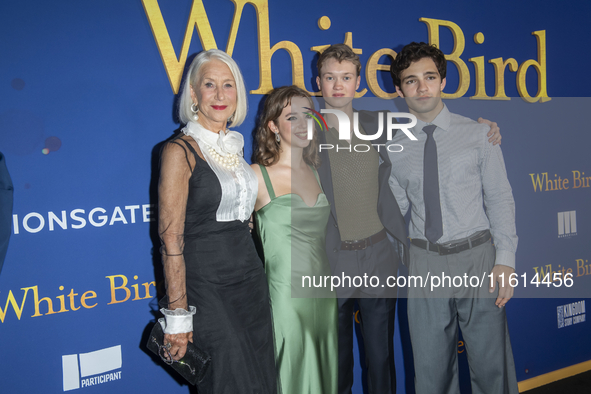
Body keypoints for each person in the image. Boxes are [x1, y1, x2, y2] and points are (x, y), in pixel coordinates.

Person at [314, 43, 503, 394]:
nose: (338, 85)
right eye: (330, 77)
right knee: (339, 360)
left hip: (391, 258)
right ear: (318, 82)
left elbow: (497, 198)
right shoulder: (305, 132)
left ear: (359, 82)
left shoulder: (381, 126)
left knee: (382, 358)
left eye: (346, 77)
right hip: (335, 260)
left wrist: (485, 129)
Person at [388, 42, 518, 394]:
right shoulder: (394, 149)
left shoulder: (480, 135)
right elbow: (395, 212)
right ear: (399, 90)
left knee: (493, 370)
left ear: (443, 81)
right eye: (411, 81)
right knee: (430, 373)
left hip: (478, 258)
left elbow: (501, 199)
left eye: (429, 77)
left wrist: (505, 261)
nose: (422, 87)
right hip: (424, 262)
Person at [157, 49, 277, 394]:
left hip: (251, 283)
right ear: (193, 94)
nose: (220, 95)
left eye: (228, 85)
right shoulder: (179, 151)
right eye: (210, 85)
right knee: (228, 383)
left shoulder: (235, 149)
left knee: (263, 379)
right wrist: (178, 317)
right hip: (206, 289)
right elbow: (170, 240)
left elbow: (247, 221)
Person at [252, 85, 338, 394]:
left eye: (308, 115)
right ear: (273, 126)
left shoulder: (317, 169)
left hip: (324, 293)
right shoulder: (255, 176)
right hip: (284, 299)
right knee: (291, 376)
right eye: (292, 118)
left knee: (325, 374)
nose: (303, 125)